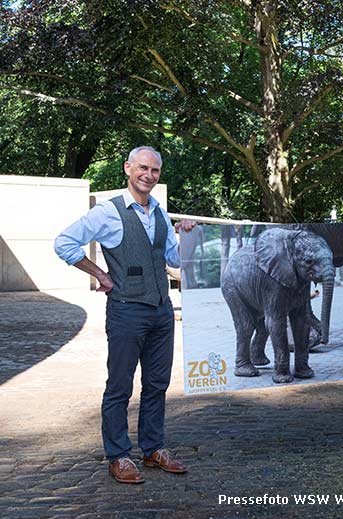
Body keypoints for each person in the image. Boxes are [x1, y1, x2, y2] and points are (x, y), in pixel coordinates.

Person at [54, 146, 196, 484]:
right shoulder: (108, 212)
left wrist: (187, 235)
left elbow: (175, 261)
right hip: (126, 311)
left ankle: (153, 449)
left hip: (162, 311)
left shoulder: (160, 213)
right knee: (119, 386)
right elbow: (64, 243)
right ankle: (118, 455)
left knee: (157, 384)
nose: (149, 175)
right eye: (143, 168)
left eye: (155, 170)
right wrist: (99, 275)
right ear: (127, 168)